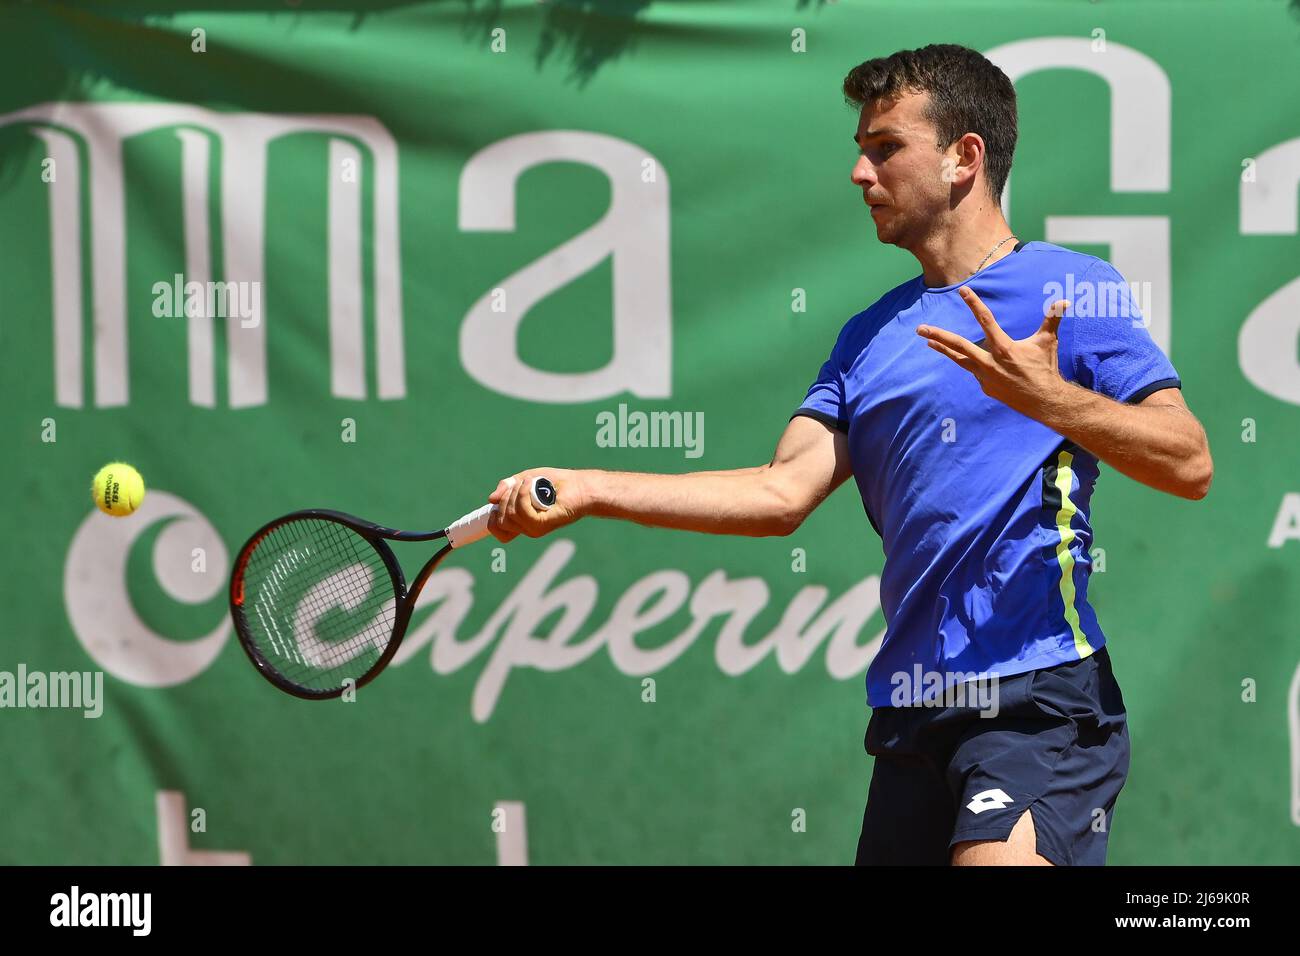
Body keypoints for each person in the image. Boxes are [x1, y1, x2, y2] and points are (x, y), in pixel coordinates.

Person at [486, 43, 1213, 866]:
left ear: (962, 157)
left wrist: (1052, 400)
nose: (861, 174)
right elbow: (779, 493)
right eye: (861, 151)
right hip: (912, 712)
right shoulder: (867, 337)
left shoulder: (1075, 289)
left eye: (885, 148)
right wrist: (589, 487)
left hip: (1035, 700)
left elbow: (1188, 461)